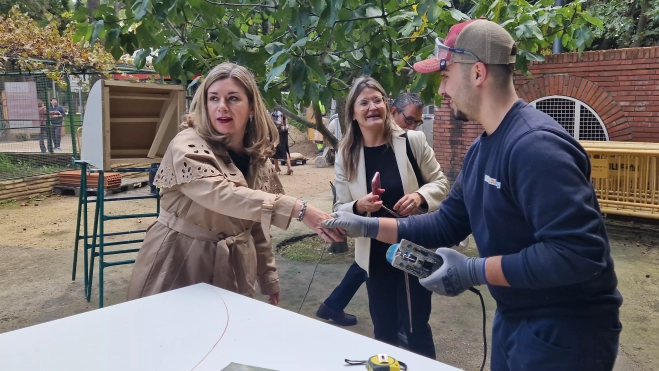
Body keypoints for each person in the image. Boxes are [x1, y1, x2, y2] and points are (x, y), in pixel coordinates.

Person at [322, 19, 623, 371]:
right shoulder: (482, 149)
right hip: (515, 315)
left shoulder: (535, 146)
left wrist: (474, 270)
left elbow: (577, 254)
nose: (443, 89)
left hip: (566, 330)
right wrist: (366, 226)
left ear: (477, 73)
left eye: (446, 76)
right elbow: (446, 224)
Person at [127, 62, 343, 304]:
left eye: (232, 98)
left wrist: (268, 277)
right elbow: (220, 194)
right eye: (213, 98)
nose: (222, 107)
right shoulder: (187, 144)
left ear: (251, 106)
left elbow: (258, 226)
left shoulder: (257, 157)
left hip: (234, 268)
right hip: (178, 263)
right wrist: (298, 209)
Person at [323, 77, 449, 359]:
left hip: (413, 250)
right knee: (384, 333)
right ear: (353, 112)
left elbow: (440, 183)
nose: (372, 107)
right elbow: (340, 208)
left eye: (377, 100)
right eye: (363, 102)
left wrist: (419, 197)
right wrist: (360, 206)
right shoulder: (346, 153)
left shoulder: (412, 141)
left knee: (417, 331)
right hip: (374, 256)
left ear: (387, 105)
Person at [271, 109, 294, 175]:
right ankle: (289, 167)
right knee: (285, 149)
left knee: (275, 148)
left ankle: (277, 167)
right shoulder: (284, 110)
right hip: (284, 132)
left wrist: (271, 123)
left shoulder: (277, 111)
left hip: (278, 131)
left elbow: (279, 122)